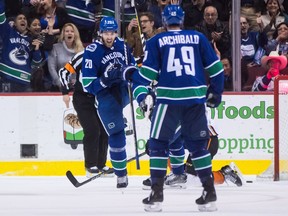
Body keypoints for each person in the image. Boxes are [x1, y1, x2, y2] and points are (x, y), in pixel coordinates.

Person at [126, 4, 224, 212]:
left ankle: (157, 194)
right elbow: (216, 69)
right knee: (198, 146)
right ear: (181, 20)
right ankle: (209, 192)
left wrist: (138, 87)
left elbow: (146, 76)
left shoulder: (156, 41)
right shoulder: (198, 38)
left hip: (169, 100)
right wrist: (216, 93)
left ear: (163, 21)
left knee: (157, 145)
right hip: (195, 101)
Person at [81, 16, 136, 188]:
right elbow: (88, 85)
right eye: (106, 33)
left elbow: (133, 70)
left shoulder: (123, 47)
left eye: (112, 32)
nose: (109, 36)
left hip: (123, 90)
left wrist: (127, 73)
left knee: (150, 101)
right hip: (105, 95)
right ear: (100, 33)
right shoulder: (92, 51)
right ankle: (121, 174)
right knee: (117, 134)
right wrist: (106, 78)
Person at [59, 51, 114, 178]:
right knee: (92, 130)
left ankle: (101, 164)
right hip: (82, 99)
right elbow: (63, 72)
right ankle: (90, 166)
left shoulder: (109, 55)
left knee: (104, 130)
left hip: (100, 98)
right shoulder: (82, 56)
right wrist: (65, 92)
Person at [0, 0, 43, 92]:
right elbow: (1, 15)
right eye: (20, 18)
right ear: (14, 23)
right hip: (7, 78)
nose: (23, 19)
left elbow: (36, 64)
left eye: (24, 19)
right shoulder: (8, 32)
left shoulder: (31, 40)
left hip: (24, 82)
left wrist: (36, 50)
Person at [48, 23, 84, 91]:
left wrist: (77, 82)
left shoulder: (81, 50)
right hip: (58, 87)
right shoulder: (55, 48)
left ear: (75, 35)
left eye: (72, 31)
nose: (69, 33)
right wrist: (61, 84)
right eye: (67, 31)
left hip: (76, 88)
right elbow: (51, 68)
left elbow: (84, 70)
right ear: (63, 34)